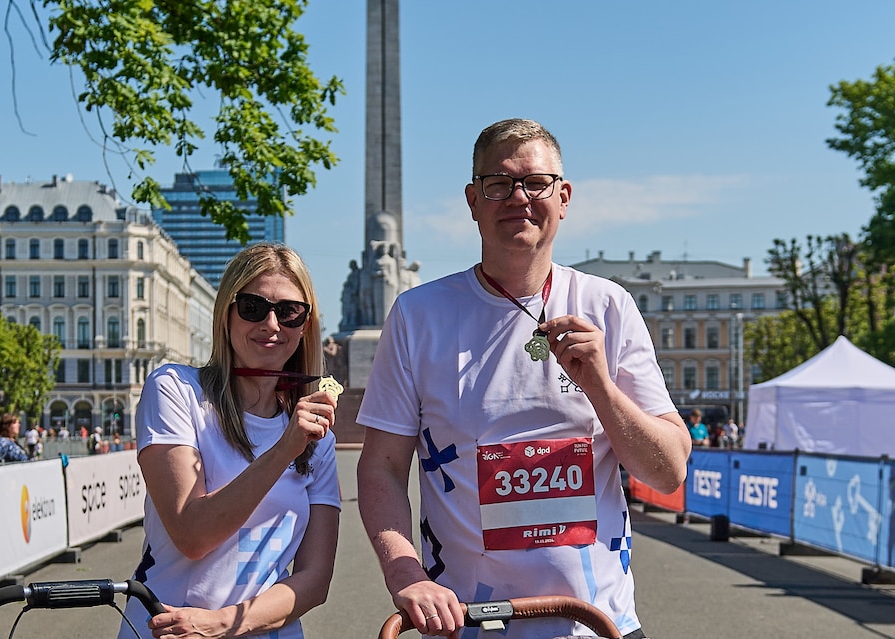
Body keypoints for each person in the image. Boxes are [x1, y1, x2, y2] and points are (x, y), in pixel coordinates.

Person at [355, 119, 692, 639]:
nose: (518, 197)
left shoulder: (608, 306)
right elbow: (380, 467)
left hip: (596, 623)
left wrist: (600, 387)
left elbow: (668, 471)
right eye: (499, 183)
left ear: (563, 196)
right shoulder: (418, 315)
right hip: (468, 622)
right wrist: (405, 573)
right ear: (473, 198)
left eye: (535, 183)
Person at [119, 242, 340, 639]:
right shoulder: (176, 389)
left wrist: (219, 624)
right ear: (226, 313)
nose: (272, 325)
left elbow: (315, 579)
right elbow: (192, 534)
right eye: (253, 307)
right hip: (166, 628)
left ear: (305, 325)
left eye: (289, 312)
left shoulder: (316, 435)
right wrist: (283, 449)